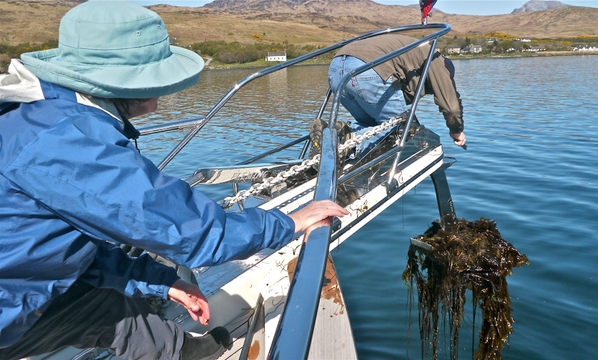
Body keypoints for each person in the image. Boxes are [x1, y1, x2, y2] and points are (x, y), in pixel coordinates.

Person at [0, 1, 348, 360]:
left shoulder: (40, 115)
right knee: (105, 310)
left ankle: (180, 350)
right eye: (154, 84)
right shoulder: (66, 140)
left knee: (110, 309)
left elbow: (57, 240)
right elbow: (186, 228)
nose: (158, 101)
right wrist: (290, 221)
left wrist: (161, 279)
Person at [310, 33, 466, 159]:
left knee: (374, 127)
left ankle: (334, 134)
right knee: (404, 132)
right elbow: (451, 107)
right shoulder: (437, 60)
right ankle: (346, 144)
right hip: (368, 70)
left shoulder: (414, 53)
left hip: (336, 69)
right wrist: (456, 130)